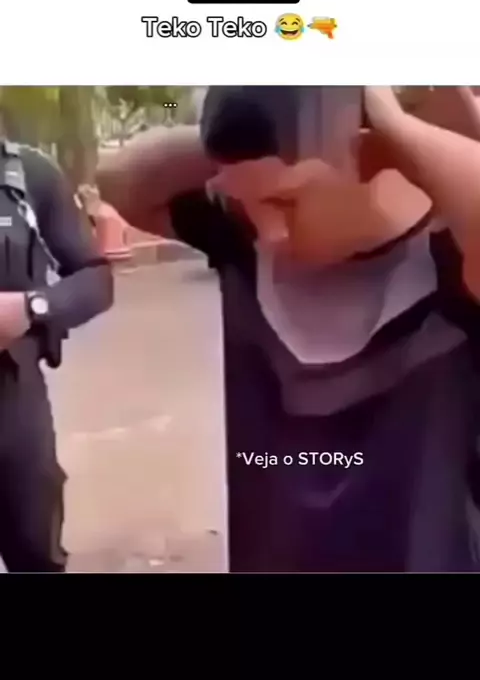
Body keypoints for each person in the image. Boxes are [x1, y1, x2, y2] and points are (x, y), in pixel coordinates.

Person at [97, 86, 480, 573]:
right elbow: (119, 179)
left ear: (371, 156)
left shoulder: (450, 262)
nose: (269, 230)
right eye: (246, 203)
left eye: (285, 200)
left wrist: (395, 130)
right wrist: (257, 129)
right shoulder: (244, 247)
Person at [0, 141, 113, 572]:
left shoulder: (28, 175)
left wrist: (32, 308)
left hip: (13, 398)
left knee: (35, 549)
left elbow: (97, 280)